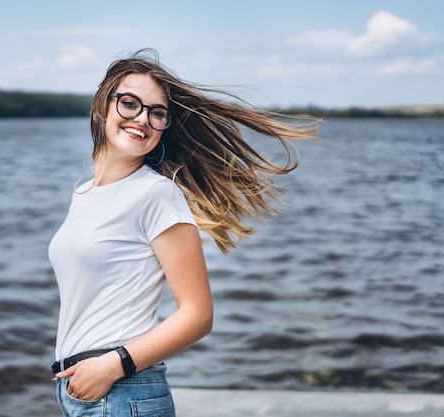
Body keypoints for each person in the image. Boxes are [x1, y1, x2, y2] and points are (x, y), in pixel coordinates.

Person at [48, 48, 319, 416]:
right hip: (83, 391)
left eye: (157, 113)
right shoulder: (83, 194)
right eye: (130, 103)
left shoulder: (155, 194)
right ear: (102, 107)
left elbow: (197, 315)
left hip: (121, 388)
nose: (142, 118)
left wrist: (113, 365)